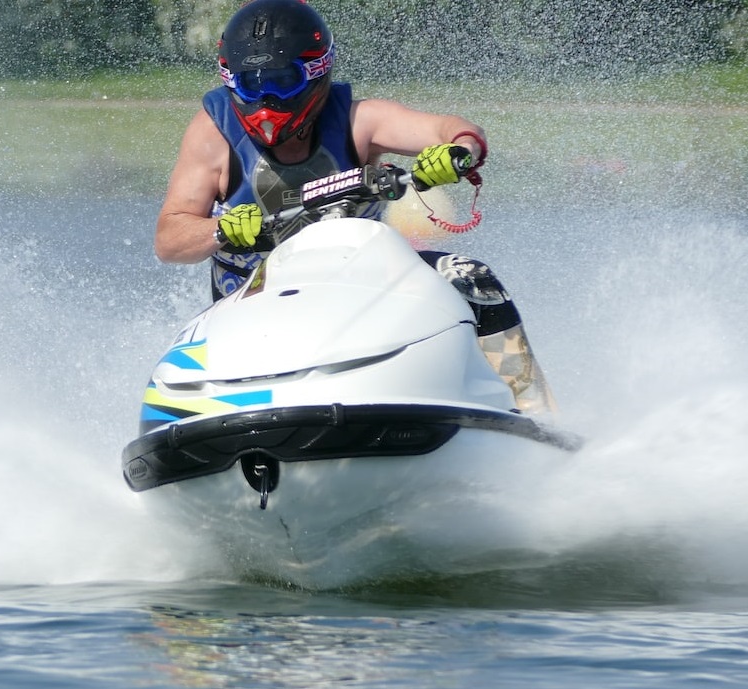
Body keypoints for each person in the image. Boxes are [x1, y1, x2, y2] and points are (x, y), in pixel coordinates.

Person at [153, 0, 555, 413]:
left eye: (281, 81)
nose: (266, 99)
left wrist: (459, 151)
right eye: (251, 84)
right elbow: (169, 239)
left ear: (315, 73)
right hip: (250, 297)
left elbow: (451, 129)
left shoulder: (359, 120)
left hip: (360, 284)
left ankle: (535, 413)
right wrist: (218, 230)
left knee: (475, 279)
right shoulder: (212, 134)